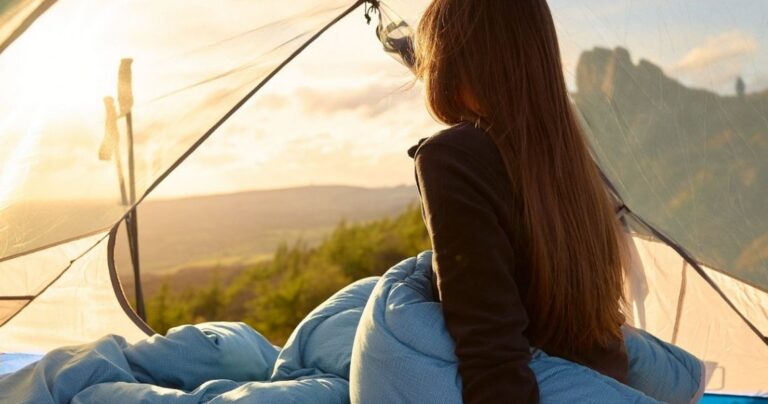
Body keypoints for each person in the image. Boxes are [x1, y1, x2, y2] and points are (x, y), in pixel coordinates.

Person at [407, 1, 631, 402]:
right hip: (607, 387)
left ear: (452, 60)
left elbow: (492, 355)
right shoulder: (572, 156)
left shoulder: (453, 158)